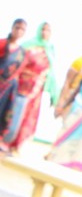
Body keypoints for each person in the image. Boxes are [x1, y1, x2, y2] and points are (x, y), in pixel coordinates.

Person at [0, 22, 59, 154]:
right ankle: (5, 141)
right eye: (43, 29)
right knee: (11, 112)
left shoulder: (50, 50)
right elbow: (17, 64)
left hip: (35, 90)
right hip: (17, 86)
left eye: (48, 30)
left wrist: (54, 95)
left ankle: (15, 145)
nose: (45, 32)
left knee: (26, 116)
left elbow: (51, 74)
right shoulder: (27, 46)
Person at [0, 18, 28, 150]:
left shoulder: (22, 52)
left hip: (9, 88)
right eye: (17, 27)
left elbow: (19, 70)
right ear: (12, 28)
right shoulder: (2, 43)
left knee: (3, 112)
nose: (19, 31)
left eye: (22, 29)